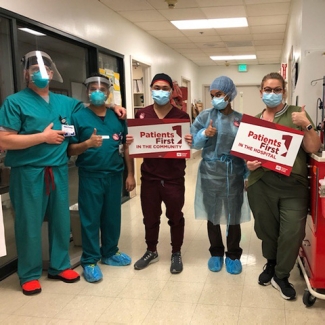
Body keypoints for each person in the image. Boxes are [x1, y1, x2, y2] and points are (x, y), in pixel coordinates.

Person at [0, 51, 126, 295]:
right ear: (26, 74)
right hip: (29, 172)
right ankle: (29, 273)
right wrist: (42, 137)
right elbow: (4, 140)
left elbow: (93, 106)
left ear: (51, 73)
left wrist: (113, 105)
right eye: (34, 70)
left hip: (58, 170)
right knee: (29, 224)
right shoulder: (15, 102)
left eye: (45, 70)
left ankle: (59, 266)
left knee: (60, 222)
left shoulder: (65, 103)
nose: (41, 74)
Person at [246, 72, 321, 300]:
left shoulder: (296, 115)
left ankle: (281, 274)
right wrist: (249, 164)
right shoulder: (256, 120)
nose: (272, 94)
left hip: (292, 185)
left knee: (291, 232)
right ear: (260, 92)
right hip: (261, 184)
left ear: (284, 91)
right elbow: (248, 154)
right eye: (267, 90)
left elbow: (313, 148)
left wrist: (307, 125)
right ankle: (271, 263)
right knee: (267, 229)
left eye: (277, 89)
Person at [68, 73, 135, 283]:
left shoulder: (118, 116)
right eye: (93, 89)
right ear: (87, 91)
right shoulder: (78, 117)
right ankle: (89, 260)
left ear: (108, 93)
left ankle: (110, 252)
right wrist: (86, 145)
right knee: (90, 218)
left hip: (114, 174)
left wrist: (131, 173)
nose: (98, 92)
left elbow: (126, 147)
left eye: (102, 89)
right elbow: (69, 150)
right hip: (91, 175)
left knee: (112, 216)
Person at [128, 73, 192, 274]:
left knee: (175, 216)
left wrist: (189, 141)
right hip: (149, 177)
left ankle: (176, 252)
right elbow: (133, 145)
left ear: (172, 92)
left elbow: (186, 144)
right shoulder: (142, 115)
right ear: (150, 89)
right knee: (150, 217)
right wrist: (132, 142)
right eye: (157, 87)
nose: (161, 92)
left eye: (165, 88)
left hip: (173, 177)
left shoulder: (181, 117)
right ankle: (151, 250)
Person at [190, 76, 250, 275]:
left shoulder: (240, 120)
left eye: (219, 94)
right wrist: (203, 135)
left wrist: (247, 175)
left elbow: (246, 151)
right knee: (213, 216)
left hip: (233, 173)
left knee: (233, 216)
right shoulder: (205, 116)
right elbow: (193, 143)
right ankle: (216, 253)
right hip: (209, 173)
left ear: (229, 94)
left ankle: (233, 255)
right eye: (212, 95)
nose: (215, 99)